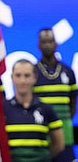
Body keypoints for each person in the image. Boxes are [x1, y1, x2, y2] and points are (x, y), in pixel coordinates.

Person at [3, 59, 65, 161]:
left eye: (27, 76)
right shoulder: (3, 109)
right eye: (18, 75)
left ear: (35, 78)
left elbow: (59, 144)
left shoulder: (46, 109)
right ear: (12, 78)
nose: (22, 81)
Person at [33, 28, 77, 162]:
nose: (47, 45)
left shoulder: (68, 72)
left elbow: (73, 105)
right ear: (39, 45)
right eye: (44, 42)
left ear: (56, 44)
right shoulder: (33, 72)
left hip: (66, 134)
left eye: (50, 41)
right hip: (41, 135)